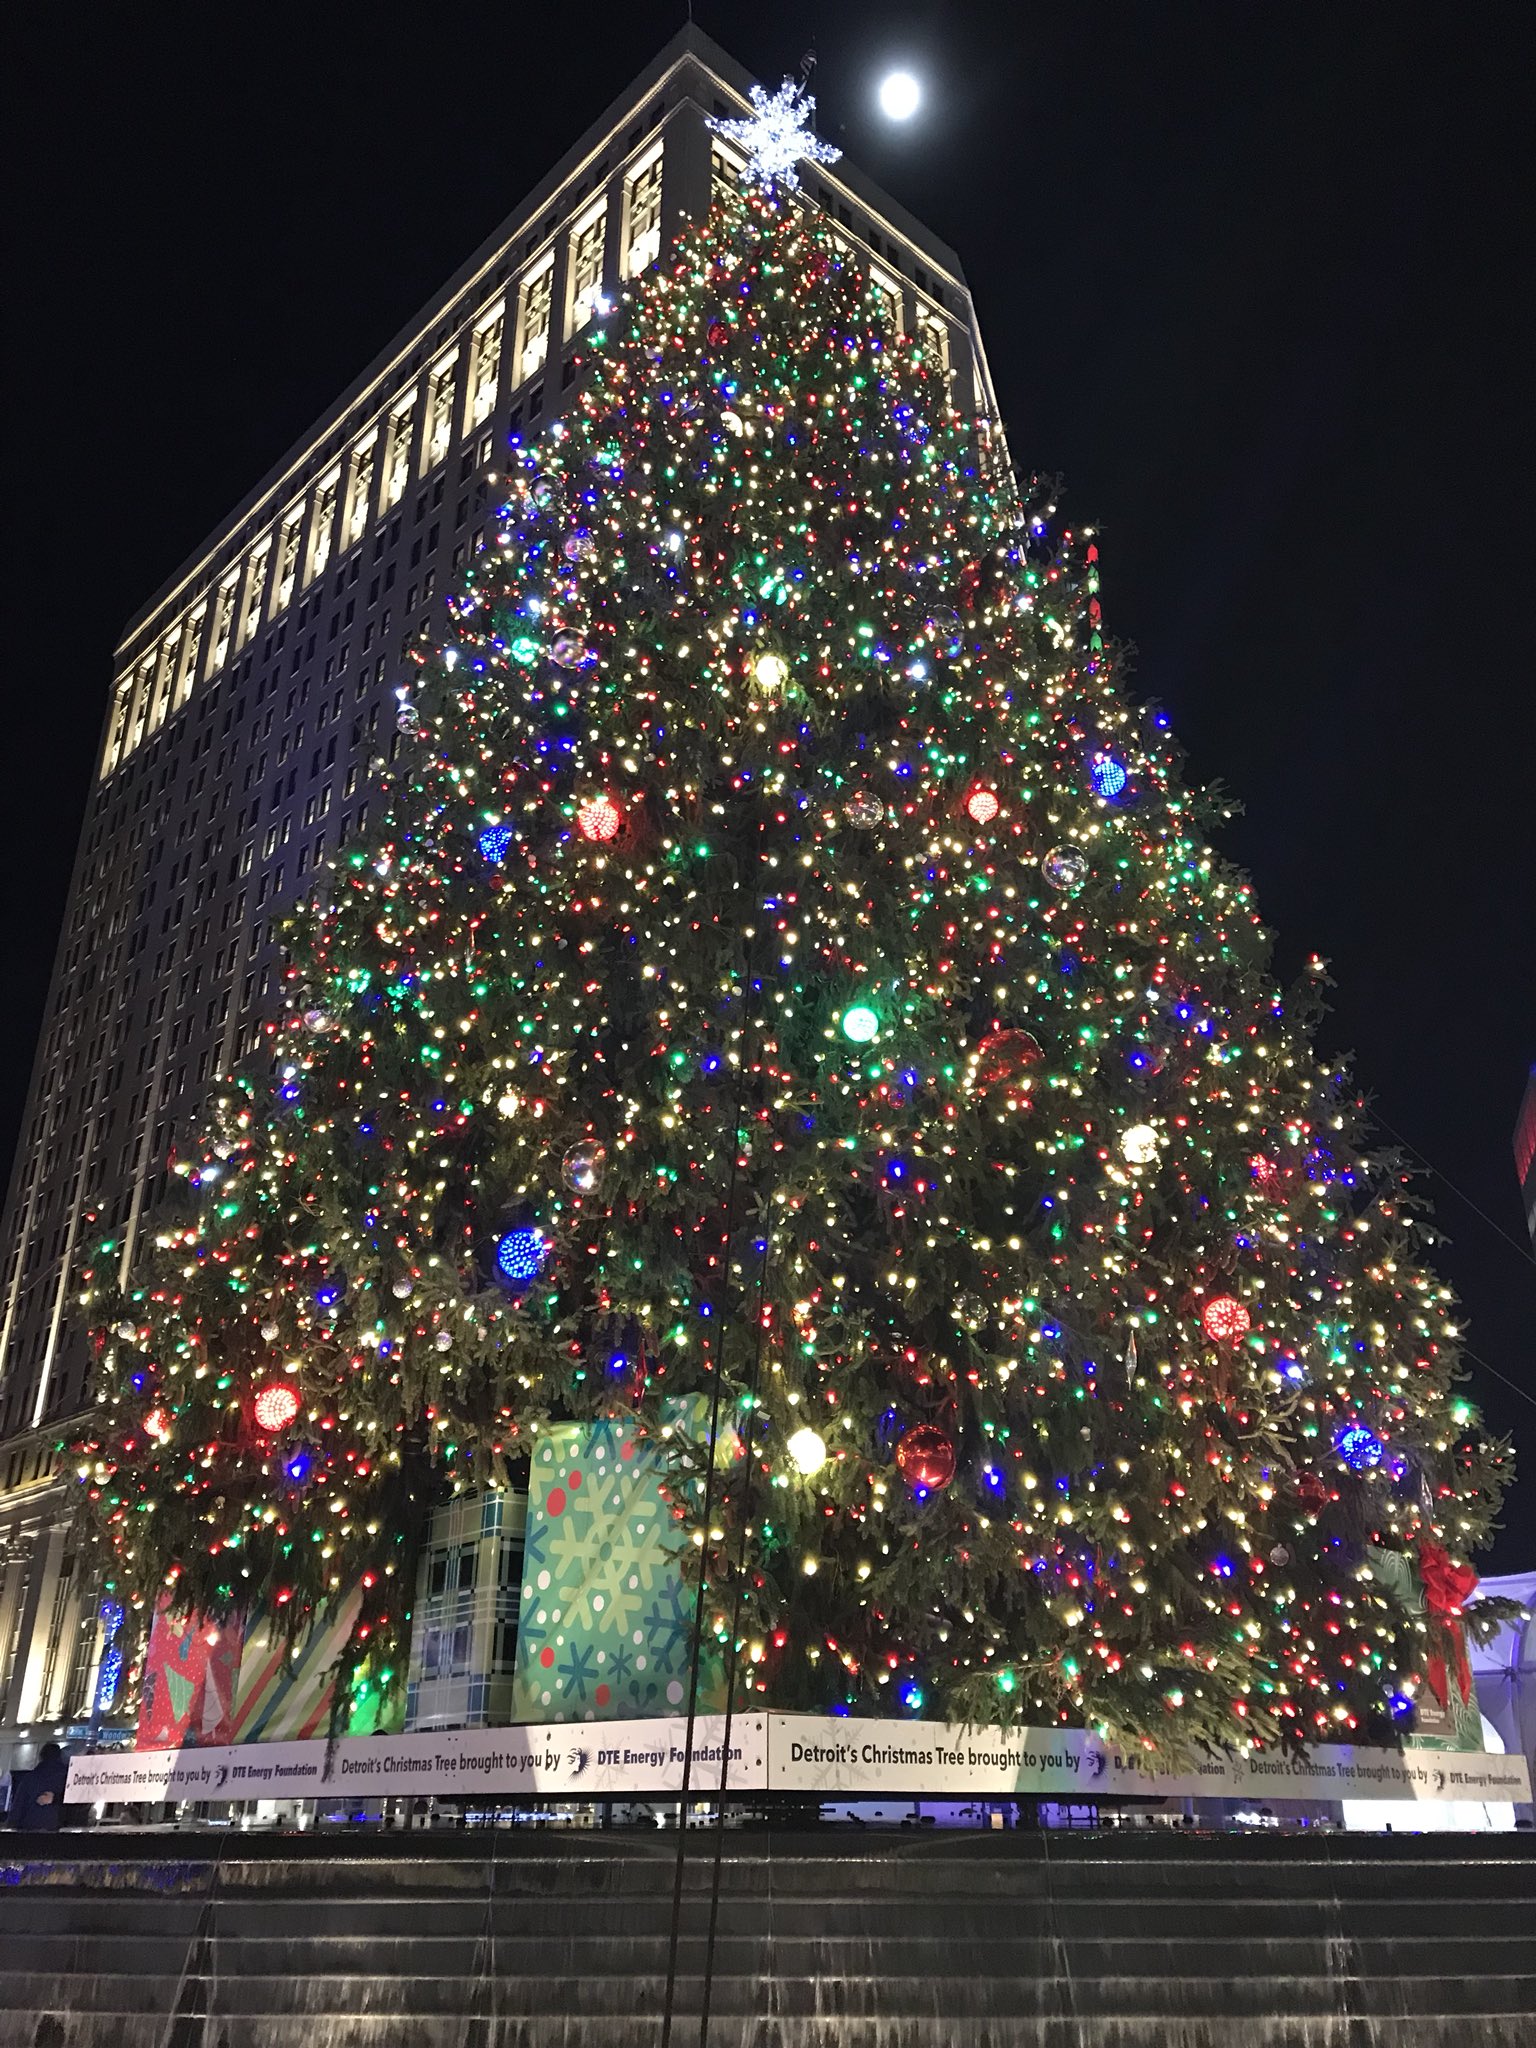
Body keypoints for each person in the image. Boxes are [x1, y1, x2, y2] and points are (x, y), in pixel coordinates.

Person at [5, 1742, 69, 1830]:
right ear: (60, 1757)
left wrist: (11, 1827)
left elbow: (18, 1806)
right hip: (58, 1830)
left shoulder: (30, 1778)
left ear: (41, 1757)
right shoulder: (67, 1778)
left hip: (30, 1829)